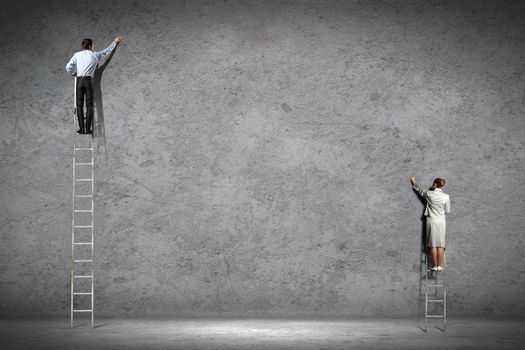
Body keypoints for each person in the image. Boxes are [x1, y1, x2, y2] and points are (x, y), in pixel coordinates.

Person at [66, 36, 122, 134]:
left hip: (79, 81)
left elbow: (68, 67)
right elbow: (106, 51)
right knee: (89, 105)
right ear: (90, 45)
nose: (94, 46)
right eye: (93, 45)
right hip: (88, 81)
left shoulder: (77, 55)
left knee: (79, 105)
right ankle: (88, 129)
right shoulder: (95, 55)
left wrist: (73, 73)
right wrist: (115, 42)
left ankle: (81, 129)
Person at [411, 176, 450, 271]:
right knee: (440, 244)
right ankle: (439, 266)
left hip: (431, 221)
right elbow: (447, 211)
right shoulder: (446, 196)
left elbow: (420, 191)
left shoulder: (429, 194)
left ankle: (434, 266)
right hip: (441, 221)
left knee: (433, 244)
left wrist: (414, 183)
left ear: (435, 184)